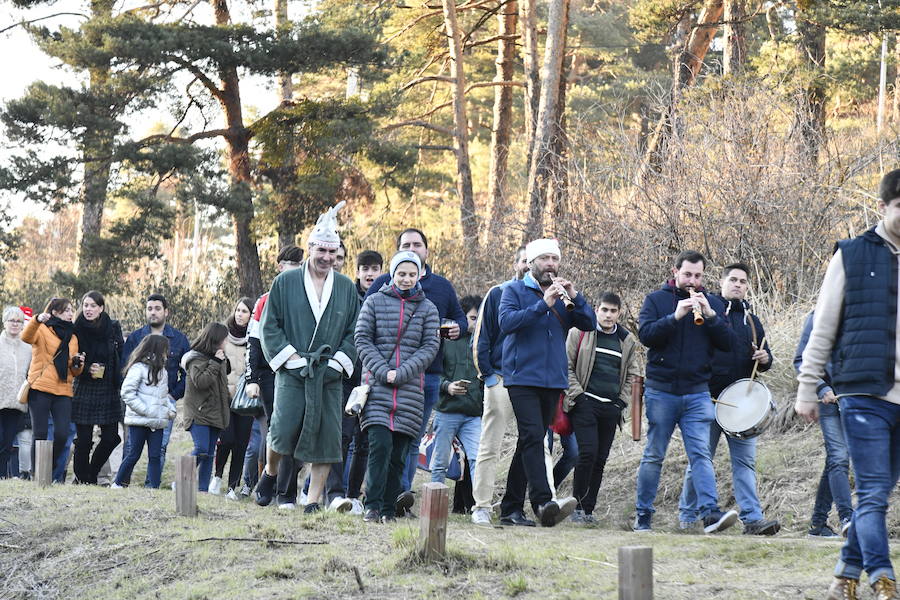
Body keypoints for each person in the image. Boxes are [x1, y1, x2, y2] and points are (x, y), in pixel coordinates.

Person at [795, 169, 900, 600]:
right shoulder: (852, 255)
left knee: (879, 493)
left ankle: (844, 574)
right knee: (874, 491)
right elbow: (822, 328)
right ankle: (883, 579)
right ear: (883, 207)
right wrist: (807, 386)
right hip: (862, 392)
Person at [255, 202, 360, 514]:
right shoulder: (285, 283)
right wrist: (291, 359)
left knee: (328, 437)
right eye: (321, 251)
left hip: (328, 374)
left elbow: (354, 329)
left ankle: (313, 501)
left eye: (333, 253)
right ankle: (270, 473)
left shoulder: (345, 287)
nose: (327, 258)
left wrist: (339, 361)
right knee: (282, 430)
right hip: (293, 370)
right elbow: (269, 326)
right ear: (310, 248)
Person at [634, 250, 738, 533]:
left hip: (697, 392)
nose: (693, 280)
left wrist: (712, 316)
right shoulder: (656, 300)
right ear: (676, 271)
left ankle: (710, 515)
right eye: (687, 274)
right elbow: (646, 336)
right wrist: (674, 316)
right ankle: (643, 516)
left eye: (698, 275)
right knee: (655, 455)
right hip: (661, 391)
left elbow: (729, 344)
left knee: (701, 455)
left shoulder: (712, 302)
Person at [364, 228, 467, 511]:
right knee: (378, 442)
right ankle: (372, 499)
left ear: (426, 251)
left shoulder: (441, 289)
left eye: (417, 244)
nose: (413, 248)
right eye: (406, 245)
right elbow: (364, 330)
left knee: (408, 442)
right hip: (380, 377)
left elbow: (454, 325)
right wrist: (383, 370)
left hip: (425, 377)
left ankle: (399, 499)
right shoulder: (380, 288)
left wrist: (451, 332)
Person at [677, 263, 781, 536]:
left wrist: (765, 358)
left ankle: (752, 519)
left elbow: (766, 356)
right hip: (708, 399)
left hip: (743, 404)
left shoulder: (752, 321)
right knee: (701, 461)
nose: (738, 285)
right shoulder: (707, 310)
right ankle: (687, 517)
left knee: (745, 464)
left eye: (743, 281)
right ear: (722, 282)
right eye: (733, 280)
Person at [498, 238, 595, 527]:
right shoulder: (513, 291)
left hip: (553, 380)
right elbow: (507, 323)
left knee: (527, 442)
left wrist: (575, 297)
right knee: (533, 437)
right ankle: (542, 502)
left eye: (554, 259)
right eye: (544, 259)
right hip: (521, 377)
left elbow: (589, 323)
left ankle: (510, 509)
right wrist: (544, 305)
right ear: (530, 263)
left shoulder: (564, 295)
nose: (550, 264)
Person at [355, 251, 440, 522]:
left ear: (419, 276)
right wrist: (383, 372)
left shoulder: (428, 309)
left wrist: (402, 373)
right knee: (379, 447)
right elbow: (362, 339)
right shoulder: (375, 301)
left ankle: (390, 509)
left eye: (412, 274)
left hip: (410, 391)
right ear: (392, 274)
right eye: (401, 273)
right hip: (377, 389)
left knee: (399, 455)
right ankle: (373, 505)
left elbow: (430, 347)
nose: (406, 279)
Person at [564, 292, 641, 524]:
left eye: (613, 311)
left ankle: (588, 510)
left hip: (611, 408)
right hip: (584, 404)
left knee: (600, 459)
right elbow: (566, 367)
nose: (608, 315)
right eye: (604, 310)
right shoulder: (579, 332)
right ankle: (575, 507)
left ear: (619, 313)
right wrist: (579, 397)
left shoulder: (626, 340)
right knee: (587, 453)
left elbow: (632, 374)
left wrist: (621, 402)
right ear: (596, 309)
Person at [471, 246, 533, 526]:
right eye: (523, 261)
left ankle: (544, 503)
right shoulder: (497, 293)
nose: (526, 267)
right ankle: (481, 506)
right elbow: (481, 338)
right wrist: (488, 375)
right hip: (500, 378)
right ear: (516, 263)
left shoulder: (544, 297)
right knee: (490, 445)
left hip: (531, 382)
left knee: (537, 445)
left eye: (531, 262)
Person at [246, 245, 304, 508]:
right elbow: (254, 341)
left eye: (299, 263)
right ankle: (265, 482)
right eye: (290, 263)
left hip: (300, 370)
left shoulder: (309, 297)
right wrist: (252, 379)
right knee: (278, 428)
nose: (295, 268)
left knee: (296, 431)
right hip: (270, 374)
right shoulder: (265, 300)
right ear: (280, 267)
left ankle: (285, 490)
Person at [328, 249, 384, 514]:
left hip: (375, 378)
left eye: (375, 269)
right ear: (358, 271)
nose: (370, 274)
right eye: (365, 269)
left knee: (364, 441)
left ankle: (354, 494)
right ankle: (335, 493)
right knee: (341, 437)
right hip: (347, 377)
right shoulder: (346, 295)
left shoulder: (387, 297)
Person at [794, 311, 854, 538]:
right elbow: (800, 360)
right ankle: (847, 518)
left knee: (834, 460)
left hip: (857, 398)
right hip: (829, 400)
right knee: (839, 456)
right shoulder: (817, 315)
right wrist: (820, 387)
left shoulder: (866, 313)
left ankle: (817, 525)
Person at [122, 294, 190, 484]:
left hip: (163, 402)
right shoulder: (136, 337)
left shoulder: (179, 339)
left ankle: (152, 486)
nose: (153, 312)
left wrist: (173, 395)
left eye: (157, 308)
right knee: (131, 447)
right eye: (149, 308)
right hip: (138, 402)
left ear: (166, 311)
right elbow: (125, 369)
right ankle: (122, 483)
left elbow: (187, 372)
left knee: (159, 448)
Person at [22, 298, 85, 480]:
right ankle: (37, 473)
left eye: (71, 310)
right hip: (40, 387)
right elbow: (25, 337)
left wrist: (78, 364)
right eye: (66, 310)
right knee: (40, 433)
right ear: (55, 312)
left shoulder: (73, 337)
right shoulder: (42, 329)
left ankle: (48, 468)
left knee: (62, 434)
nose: (70, 313)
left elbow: (74, 371)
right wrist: (36, 320)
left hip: (63, 390)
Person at [70, 291, 124, 485]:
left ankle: (91, 475)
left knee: (111, 438)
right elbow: (72, 361)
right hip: (84, 387)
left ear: (101, 308)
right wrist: (85, 369)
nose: (88, 309)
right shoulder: (76, 329)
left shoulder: (113, 328)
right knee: (83, 440)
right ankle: (82, 479)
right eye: (85, 305)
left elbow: (120, 355)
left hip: (108, 388)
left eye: (93, 305)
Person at [431, 295, 483, 484]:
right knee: (440, 462)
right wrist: (447, 386)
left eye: (480, 318)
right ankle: (434, 505)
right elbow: (430, 375)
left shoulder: (484, 343)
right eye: (473, 318)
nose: (477, 323)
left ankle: (480, 506)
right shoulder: (445, 340)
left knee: (478, 459)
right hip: (447, 411)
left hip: (474, 413)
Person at [113, 334, 175, 488]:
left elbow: (162, 396)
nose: (168, 354)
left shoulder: (163, 372)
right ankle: (118, 484)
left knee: (155, 456)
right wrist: (146, 411)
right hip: (139, 420)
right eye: (166, 350)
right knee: (134, 454)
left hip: (157, 422)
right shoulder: (138, 368)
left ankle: (154, 488)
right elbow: (127, 393)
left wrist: (170, 409)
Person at [210, 297, 254, 498]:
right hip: (225, 397)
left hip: (245, 400)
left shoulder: (255, 338)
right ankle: (217, 477)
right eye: (238, 310)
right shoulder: (223, 336)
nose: (239, 314)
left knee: (241, 443)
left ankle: (232, 487)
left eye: (244, 311)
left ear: (251, 315)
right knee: (226, 439)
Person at [181, 322, 231, 492]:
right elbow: (201, 382)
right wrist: (216, 362)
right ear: (216, 340)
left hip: (215, 412)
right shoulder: (195, 358)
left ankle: (202, 490)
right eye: (224, 339)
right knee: (201, 449)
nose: (226, 342)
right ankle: (181, 478)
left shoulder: (219, 358)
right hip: (198, 412)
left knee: (209, 454)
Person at [0, 307, 31, 478]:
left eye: (18, 321)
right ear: (4, 322)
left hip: (16, 401)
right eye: (11, 320)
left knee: (7, 442)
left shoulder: (27, 348)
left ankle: (3, 476)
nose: (15, 324)